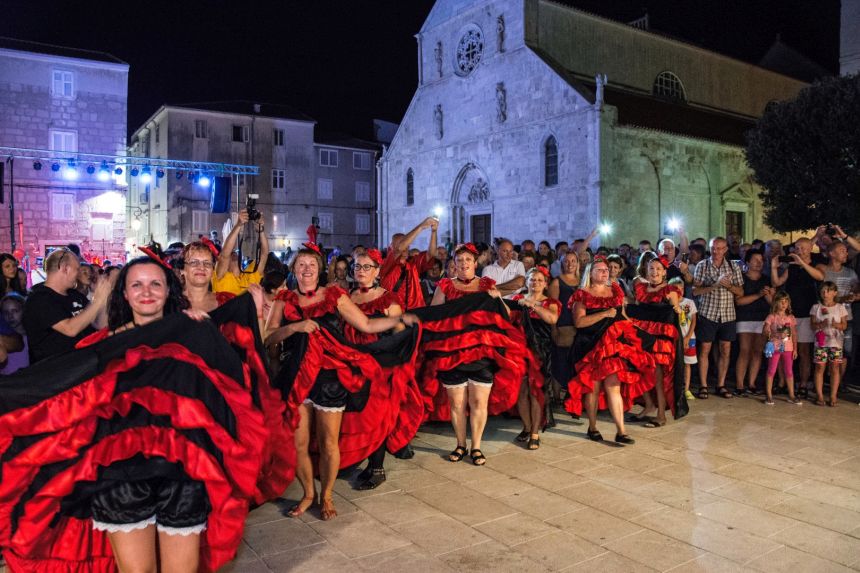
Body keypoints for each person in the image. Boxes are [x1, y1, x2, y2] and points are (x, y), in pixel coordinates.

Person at [265, 243, 418, 520]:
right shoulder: (283, 299)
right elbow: (268, 337)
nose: (307, 269)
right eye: (301, 265)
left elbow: (367, 325)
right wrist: (295, 327)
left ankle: (327, 495)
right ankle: (308, 493)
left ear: (320, 268)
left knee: (328, 443)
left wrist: (401, 320)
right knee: (299, 444)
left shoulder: (334, 295)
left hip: (329, 378)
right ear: (294, 269)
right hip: (296, 377)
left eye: (312, 264)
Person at [428, 243, 511, 466]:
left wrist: (497, 298)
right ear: (454, 264)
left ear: (476, 263)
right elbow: (434, 317)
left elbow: (507, 314)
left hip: (481, 352)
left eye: (468, 260)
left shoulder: (487, 285)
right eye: (459, 260)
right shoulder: (445, 286)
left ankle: (476, 446)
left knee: (478, 402)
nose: (464, 264)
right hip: (453, 353)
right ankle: (460, 444)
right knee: (456, 404)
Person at [566, 257, 656, 445]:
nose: (604, 272)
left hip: (611, 346)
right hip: (589, 345)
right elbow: (579, 322)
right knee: (592, 388)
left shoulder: (615, 290)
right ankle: (592, 427)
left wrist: (638, 329)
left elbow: (621, 316)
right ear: (590, 273)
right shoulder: (581, 294)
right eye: (599, 270)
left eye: (606, 269)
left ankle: (621, 431)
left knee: (613, 385)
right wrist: (604, 314)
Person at [343, 248, 410, 489]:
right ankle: (359, 459)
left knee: (375, 416)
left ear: (378, 271)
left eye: (366, 267)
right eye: (357, 267)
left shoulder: (388, 298)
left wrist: (382, 355)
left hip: (380, 365)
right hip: (352, 363)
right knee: (357, 415)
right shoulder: (348, 295)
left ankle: (377, 467)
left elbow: (401, 333)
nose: (360, 271)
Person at [23, 248, 111, 363]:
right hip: (56, 374)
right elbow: (70, 329)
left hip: (82, 368)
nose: (78, 274)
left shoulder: (75, 295)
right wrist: (98, 301)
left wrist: (103, 299)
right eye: (77, 269)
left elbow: (100, 324)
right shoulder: (39, 298)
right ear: (65, 269)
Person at [630, 254, 683, 428]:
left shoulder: (670, 290)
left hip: (660, 341)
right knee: (639, 371)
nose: (654, 272)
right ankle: (649, 405)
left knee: (659, 378)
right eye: (651, 268)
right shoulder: (641, 287)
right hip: (642, 337)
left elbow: (677, 312)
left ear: (664, 272)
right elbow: (638, 309)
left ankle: (661, 415)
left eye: (658, 269)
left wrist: (676, 308)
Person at [511, 267, 560, 449]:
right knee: (521, 392)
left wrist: (534, 305)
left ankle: (535, 433)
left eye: (540, 280)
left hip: (541, 352)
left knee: (536, 393)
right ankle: (526, 426)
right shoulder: (518, 300)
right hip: (520, 351)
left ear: (546, 284)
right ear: (527, 282)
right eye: (532, 280)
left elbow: (552, 319)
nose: (535, 283)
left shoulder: (550, 302)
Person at [770, 237, 824, 397]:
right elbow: (776, 282)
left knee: (804, 351)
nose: (797, 250)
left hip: (807, 314)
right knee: (783, 348)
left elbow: (820, 276)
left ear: (809, 249)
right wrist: (773, 268)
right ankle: (783, 382)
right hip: (790, 315)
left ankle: (802, 384)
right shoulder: (791, 267)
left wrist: (803, 264)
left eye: (801, 248)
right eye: (796, 247)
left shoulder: (816, 263)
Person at [692, 237, 744, 399]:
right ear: (710, 248)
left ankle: (721, 384)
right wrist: (715, 285)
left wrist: (728, 286)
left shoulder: (733, 266)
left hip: (728, 314)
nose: (717, 251)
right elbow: (695, 291)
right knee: (705, 349)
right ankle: (703, 385)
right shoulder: (703, 265)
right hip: (708, 312)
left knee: (725, 350)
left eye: (720, 248)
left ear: (726, 249)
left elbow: (741, 292)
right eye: (714, 248)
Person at [816, 240, 858, 378]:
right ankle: (828, 380)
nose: (846, 253)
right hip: (825, 318)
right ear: (831, 253)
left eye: (846, 250)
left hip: (846, 318)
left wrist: (854, 296)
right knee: (825, 350)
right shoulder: (823, 270)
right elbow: (824, 295)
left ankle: (838, 382)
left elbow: (856, 290)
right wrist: (842, 299)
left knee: (844, 351)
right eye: (842, 250)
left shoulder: (851, 272)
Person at [734, 249, 774, 395]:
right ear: (748, 261)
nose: (759, 263)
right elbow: (739, 301)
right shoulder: (741, 279)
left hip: (762, 318)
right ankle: (739, 384)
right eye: (755, 260)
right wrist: (758, 295)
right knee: (745, 350)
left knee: (757, 351)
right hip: (744, 317)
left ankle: (751, 383)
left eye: (761, 260)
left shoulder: (766, 279)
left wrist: (768, 295)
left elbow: (772, 302)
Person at [379, 216, 438, 309]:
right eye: (403, 244)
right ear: (390, 247)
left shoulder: (412, 264)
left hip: (414, 311)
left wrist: (434, 232)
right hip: (393, 313)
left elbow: (431, 254)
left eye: (407, 245)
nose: (405, 249)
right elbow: (399, 249)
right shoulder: (386, 264)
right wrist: (421, 226)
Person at [547, 251, 581, 400]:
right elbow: (551, 307)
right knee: (559, 362)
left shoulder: (582, 281)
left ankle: (571, 396)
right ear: (561, 264)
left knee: (574, 362)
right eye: (567, 261)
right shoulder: (556, 282)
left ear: (577, 263)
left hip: (579, 327)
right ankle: (556, 396)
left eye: (573, 261)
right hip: (563, 325)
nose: (570, 264)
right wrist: (554, 329)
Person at [213, 210, 270, 295]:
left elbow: (264, 254)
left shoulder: (250, 275)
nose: (234, 254)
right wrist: (238, 225)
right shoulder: (220, 277)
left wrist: (260, 230)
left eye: (235, 253)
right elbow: (224, 255)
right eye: (231, 255)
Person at [810, 282, 849, 406]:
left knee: (834, 367)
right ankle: (820, 396)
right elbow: (812, 325)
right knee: (820, 367)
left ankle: (833, 396)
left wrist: (837, 325)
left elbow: (844, 325)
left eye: (828, 291)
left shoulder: (840, 307)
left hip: (835, 342)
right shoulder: (816, 307)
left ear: (834, 293)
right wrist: (820, 325)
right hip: (821, 342)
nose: (825, 294)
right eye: (823, 291)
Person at [763, 291, 800, 405]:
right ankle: (769, 395)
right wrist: (770, 332)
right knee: (772, 370)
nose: (784, 304)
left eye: (786, 301)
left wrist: (795, 349)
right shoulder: (772, 317)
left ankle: (792, 395)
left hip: (788, 347)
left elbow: (794, 334)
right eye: (781, 301)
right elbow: (765, 330)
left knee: (789, 371)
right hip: (775, 346)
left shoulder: (791, 317)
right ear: (776, 303)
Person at [0, 293, 29, 374]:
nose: (10, 316)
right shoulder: (5, 339)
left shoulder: (32, 335)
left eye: (15, 311)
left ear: (23, 310)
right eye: (6, 312)